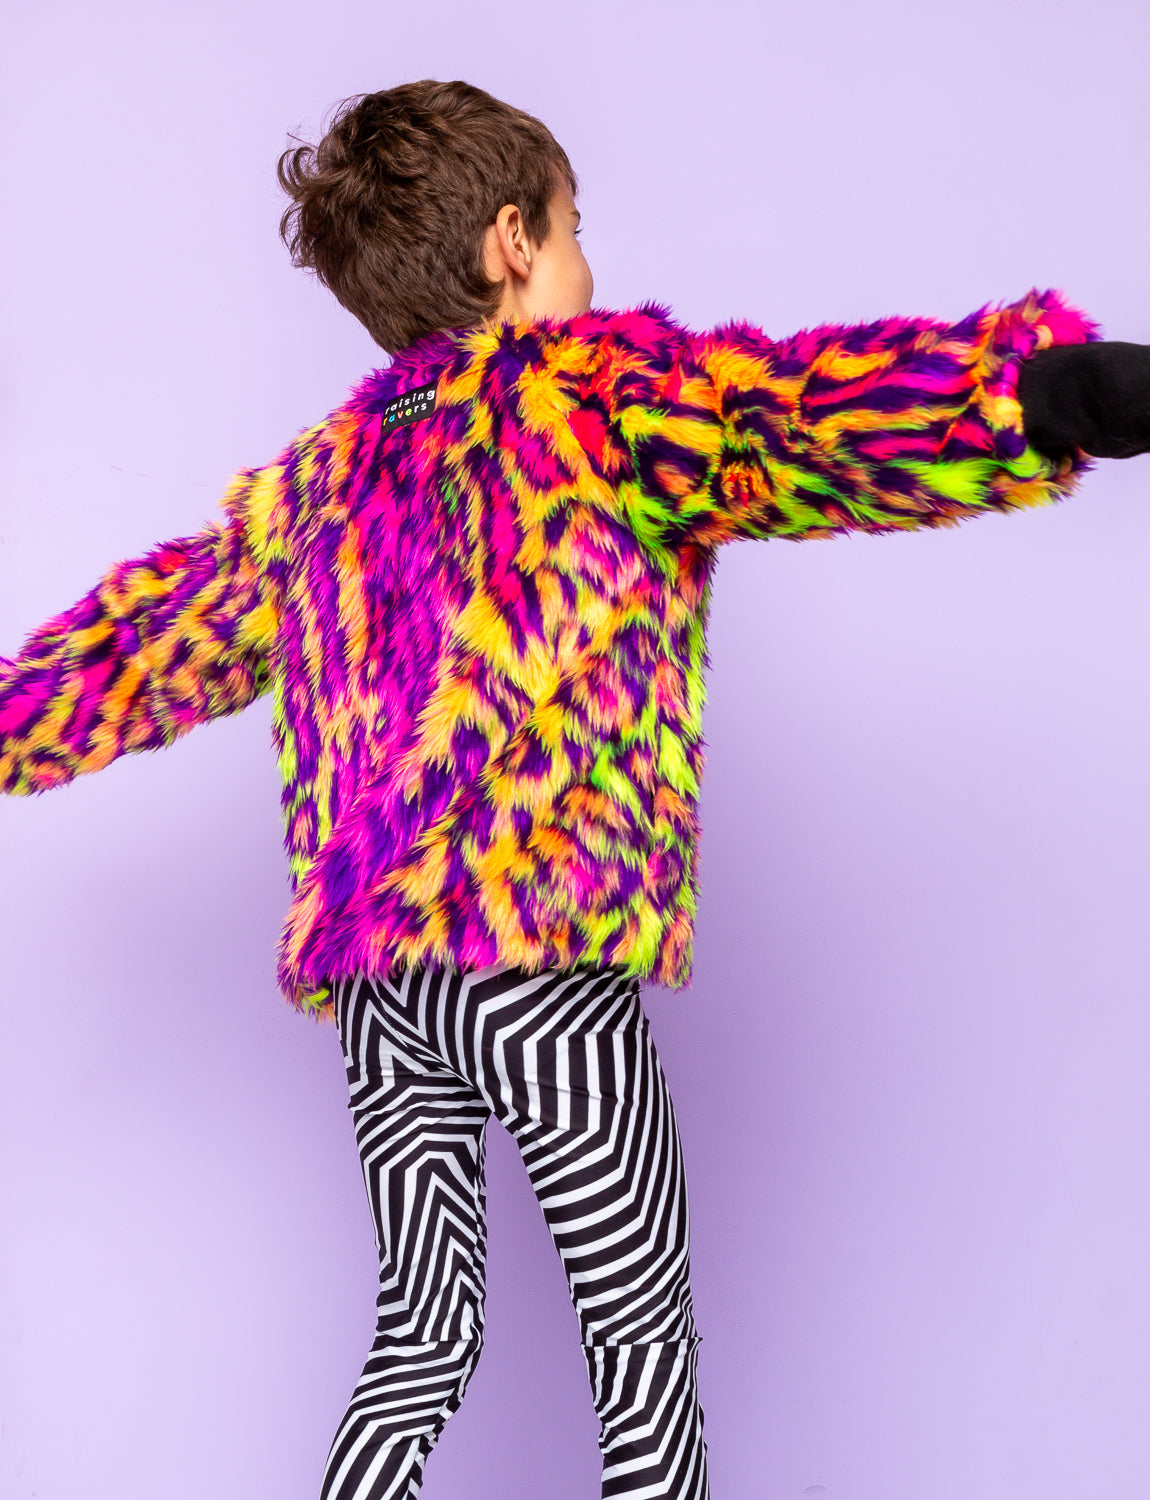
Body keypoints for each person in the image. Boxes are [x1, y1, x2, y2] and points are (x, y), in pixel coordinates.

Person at [2, 77, 1149, 1500]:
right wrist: (1056, 394)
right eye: (574, 225)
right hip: (534, 954)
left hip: (383, 977)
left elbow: (141, 645)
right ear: (510, 246)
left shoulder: (317, 484)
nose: (585, 255)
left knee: (419, 1337)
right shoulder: (603, 401)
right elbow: (795, 419)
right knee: (638, 1341)